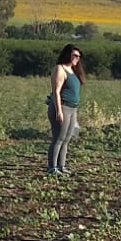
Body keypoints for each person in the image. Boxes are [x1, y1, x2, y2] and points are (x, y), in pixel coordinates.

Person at [47, 44, 84, 174]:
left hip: (72, 109)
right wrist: (58, 111)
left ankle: (61, 166)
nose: (77, 58)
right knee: (58, 138)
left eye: (79, 56)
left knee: (66, 139)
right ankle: (52, 168)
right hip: (62, 106)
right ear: (67, 54)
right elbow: (56, 92)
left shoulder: (74, 71)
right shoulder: (60, 69)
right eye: (74, 55)